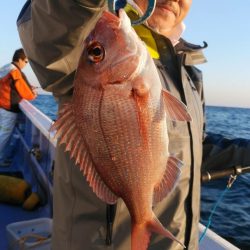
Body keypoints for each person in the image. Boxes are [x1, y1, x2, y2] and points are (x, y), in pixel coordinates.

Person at [17, 1, 250, 249]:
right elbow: (59, 19)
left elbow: (195, 148)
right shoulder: (85, 32)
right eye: (96, 53)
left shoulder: (189, 73)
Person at [0, 48, 37, 166]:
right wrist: (33, 94)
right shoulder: (15, 71)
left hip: (1, 106)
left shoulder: (5, 67)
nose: (26, 65)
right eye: (26, 62)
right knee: (4, 136)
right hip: (7, 109)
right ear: (20, 59)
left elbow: (11, 85)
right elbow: (26, 93)